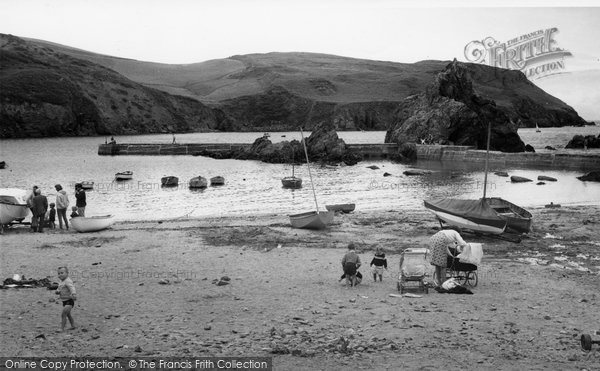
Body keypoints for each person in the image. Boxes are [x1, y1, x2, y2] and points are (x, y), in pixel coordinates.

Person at [55, 266, 76, 331]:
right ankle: (73, 325)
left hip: (69, 300)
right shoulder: (61, 282)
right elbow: (59, 289)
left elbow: (72, 287)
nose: (60, 274)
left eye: (62, 273)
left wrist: (73, 293)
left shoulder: (67, 281)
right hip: (64, 301)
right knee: (68, 314)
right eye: (59, 273)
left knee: (63, 314)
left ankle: (62, 328)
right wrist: (57, 291)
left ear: (67, 273)